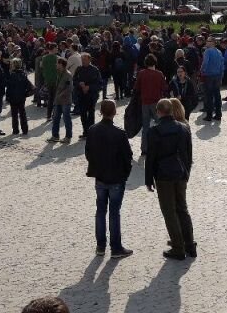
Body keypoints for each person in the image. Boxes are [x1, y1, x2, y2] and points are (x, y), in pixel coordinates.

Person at [144, 99, 195, 260]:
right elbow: (188, 153)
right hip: (180, 173)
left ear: (158, 112)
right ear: (171, 111)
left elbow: (150, 157)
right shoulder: (183, 128)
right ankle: (190, 245)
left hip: (163, 176)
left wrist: (148, 179)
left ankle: (178, 248)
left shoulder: (154, 131)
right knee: (182, 209)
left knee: (169, 211)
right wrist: (187, 172)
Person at [84, 99, 134, 259]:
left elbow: (88, 153)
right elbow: (128, 157)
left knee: (100, 211)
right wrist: (125, 174)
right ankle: (116, 247)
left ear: (101, 112)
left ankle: (100, 246)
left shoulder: (92, 130)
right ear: (114, 112)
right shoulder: (119, 133)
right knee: (114, 213)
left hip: (100, 177)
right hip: (116, 178)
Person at [133, 54, 167, 153]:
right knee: (161, 124)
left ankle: (144, 148)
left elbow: (136, 88)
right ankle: (162, 146)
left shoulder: (141, 73)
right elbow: (164, 88)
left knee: (145, 127)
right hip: (157, 103)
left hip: (145, 103)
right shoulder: (159, 74)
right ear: (155, 62)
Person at [73, 53, 102, 139]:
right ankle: (85, 132)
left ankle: (91, 132)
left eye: (85, 60)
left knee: (91, 114)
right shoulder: (79, 69)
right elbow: (74, 80)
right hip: (81, 95)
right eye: (82, 60)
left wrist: (89, 87)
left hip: (92, 96)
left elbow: (99, 84)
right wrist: (79, 84)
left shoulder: (95, 70)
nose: (83, 61)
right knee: (83, 114)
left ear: (89, 60)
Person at [48, 58, 74, 143]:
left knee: (66, 119)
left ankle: (68, 137)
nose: (56, 65)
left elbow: (70, 88)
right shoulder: (59, 73)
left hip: (65, 101)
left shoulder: (68, 75)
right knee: (55, 118)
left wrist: (61, 94)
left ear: (61, 64)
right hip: (58, 100)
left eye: (57, 63)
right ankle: (55, 136)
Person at [5, 58, 33, 135]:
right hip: (21, 96)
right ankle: (25, 130)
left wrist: (7, 97)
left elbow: (9, 87)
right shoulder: (23, 74)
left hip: (13, 97)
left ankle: (15, 130)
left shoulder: (11, 75)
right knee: (22, 113)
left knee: (14, 115)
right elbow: (29, 86)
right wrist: (26, 94)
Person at [199, 38, 224, 122]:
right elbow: (222, 65)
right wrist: (221, 76)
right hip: (217, 76)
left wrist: (202, 70)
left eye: (208, 41)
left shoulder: (207, 51)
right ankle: (218, 114)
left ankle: (209, 115)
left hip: (209, 75)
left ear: (213, 42)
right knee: (217, 95)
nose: (206, 42)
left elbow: (205, 62)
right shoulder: (219, 52)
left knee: (209, 96)